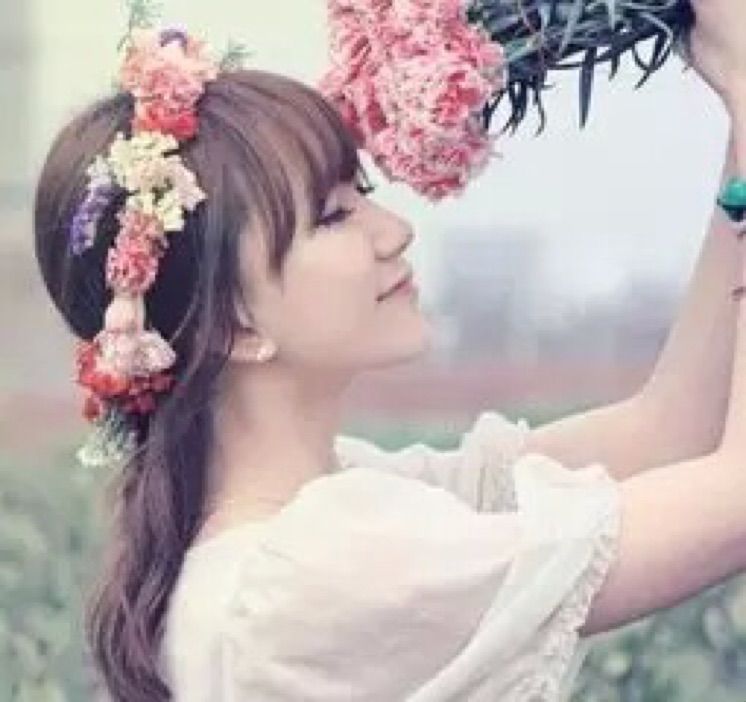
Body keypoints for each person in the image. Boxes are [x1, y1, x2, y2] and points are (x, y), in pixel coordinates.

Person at [31, 1, 746, 700]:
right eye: (333, 216)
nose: (394, 231)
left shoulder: (319, 523)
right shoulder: (315, 570)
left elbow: (673, 429)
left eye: (362, 191)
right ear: (234, 328)